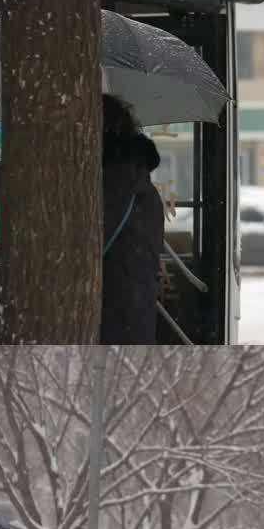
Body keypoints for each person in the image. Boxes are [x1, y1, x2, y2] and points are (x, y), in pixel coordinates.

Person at [101, 95, 165, 345]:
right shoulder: (138, 180)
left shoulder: (118, 182)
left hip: (113, 314)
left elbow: (89, 245)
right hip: (133, 312)